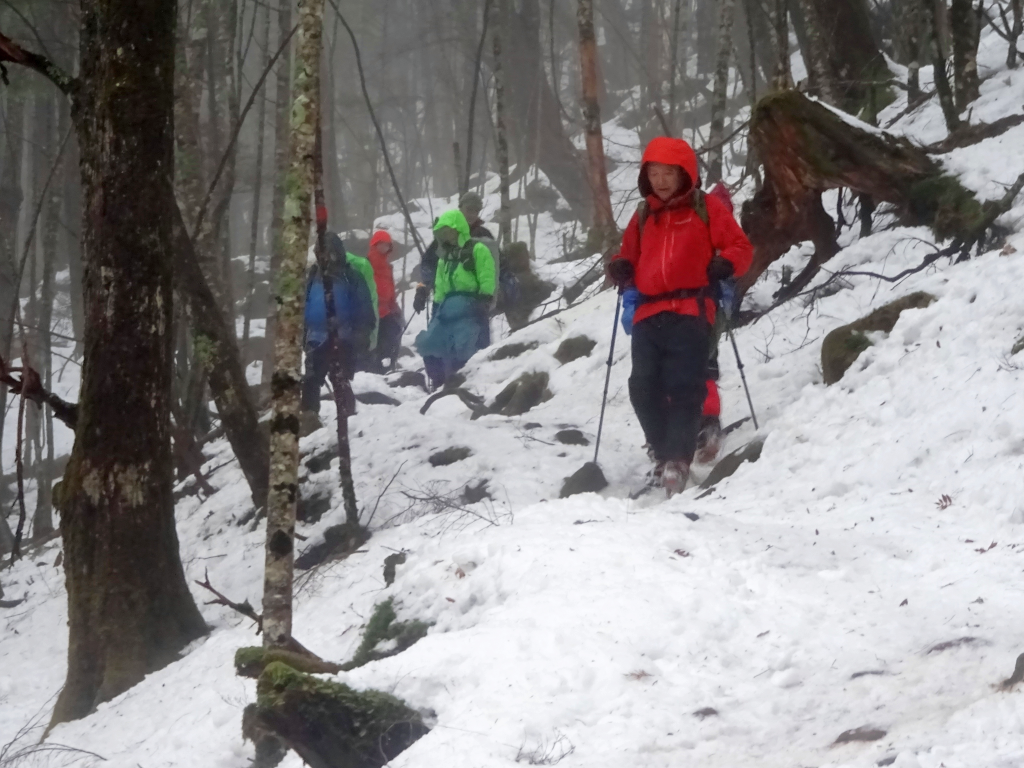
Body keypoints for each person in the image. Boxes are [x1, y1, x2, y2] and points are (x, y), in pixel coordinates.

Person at [607, 137, 752, 495]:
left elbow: (740, 246)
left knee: (683, 385)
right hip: (648, 310)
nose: (660, 180)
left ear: (684, 173)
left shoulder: (707, 209)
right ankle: (662, 449)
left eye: (668, 172)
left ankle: (678, 460)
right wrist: (621, 267)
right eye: (653, 173)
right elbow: (626, 256)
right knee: (642, 386)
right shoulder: (643, 215)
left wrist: (727, 263)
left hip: (692, 307)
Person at [300, 233, 378, 435]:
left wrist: (363, 334)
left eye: (327, 252)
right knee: (310, 379)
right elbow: (304, 305)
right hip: (315, 337)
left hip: (342, 336)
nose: (323, 257)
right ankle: (309, 421)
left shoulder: (350, 276)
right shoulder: (313, 275)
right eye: (320, 252)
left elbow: (364, 307)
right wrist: (302, 334)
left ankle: (348, 419)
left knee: (339, 377)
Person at [415, 209, 496, 389]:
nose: (445, 235)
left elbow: (487, 275)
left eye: (448, 231)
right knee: (431, 344)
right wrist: (437, 306)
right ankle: (440, 383)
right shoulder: (445, 257)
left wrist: (485, 299)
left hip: (470, 305)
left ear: (458, 229)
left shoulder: (478, 249)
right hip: (447, 306)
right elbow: (441, 284)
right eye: (442, 232)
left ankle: (461, 385)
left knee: (464, 349)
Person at [414, 191, 497, 317]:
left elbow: (497, 267)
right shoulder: (448, 233)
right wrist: (423, 289)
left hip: (474, 304)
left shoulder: (484, 235)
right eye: (469, 209)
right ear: (460, 207)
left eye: (476, 211)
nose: (472, 214)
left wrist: (490, 296)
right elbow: (429, 264)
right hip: (444, 303)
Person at [365, 229, 404, 372]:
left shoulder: (388, 267)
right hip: (370, 311)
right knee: (372, 343)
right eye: (381, 244)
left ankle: (387, 367)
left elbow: (390, 288)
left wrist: (394, 306)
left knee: (392, 336)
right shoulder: (366, 264)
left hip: (386, 310)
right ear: (374, 244)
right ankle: (373, 368)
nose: (384, 247)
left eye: (387, 245)